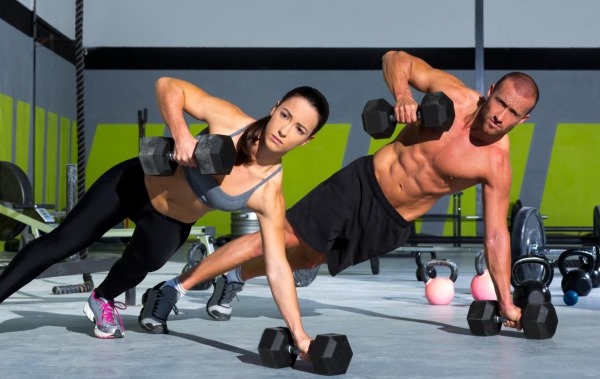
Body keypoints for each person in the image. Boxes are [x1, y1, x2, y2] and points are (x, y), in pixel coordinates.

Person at [141, 50, 539, 357]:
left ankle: (234, 278)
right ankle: (174, 288)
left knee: (308, 259)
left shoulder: (495, 165)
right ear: (490, 92)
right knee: (277, 237)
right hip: (363, 183)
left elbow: (496, 236)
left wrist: (506, 302)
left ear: (522, 121)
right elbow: (393, 59)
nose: (501, 116)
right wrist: (402, 94)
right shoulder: (451, 93)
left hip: (391, 222)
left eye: (513, 113)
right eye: (500, 102)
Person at [0, 77, 329, 339]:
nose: (285, 129)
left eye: (299, 128)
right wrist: (181, 133)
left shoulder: (269, 192)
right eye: (286, 115)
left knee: (145, 263)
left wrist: (299, 335)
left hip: (171, 223)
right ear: (275, 108)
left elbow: (277, 268)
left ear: (307, 140)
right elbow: (168, 85)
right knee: (61, 244)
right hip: (134, 185)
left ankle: (101, 299)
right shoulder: (229, 120)